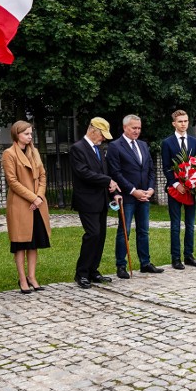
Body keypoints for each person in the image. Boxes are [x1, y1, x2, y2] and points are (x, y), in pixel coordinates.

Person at [107, 114, 161, 277]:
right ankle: (121, 265)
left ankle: (145, 263)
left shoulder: (143, 145)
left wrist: (150, 189)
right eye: (133, 128)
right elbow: (116, 173)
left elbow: (150, 170)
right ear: (125, 128)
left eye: (139, 128)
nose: (137, 131)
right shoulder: (115, 146)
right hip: (128, 197)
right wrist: (133, 191)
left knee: (143, 231)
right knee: (125, 231)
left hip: (144, 196)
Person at [71, 117, 122, 288]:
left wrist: (114, 192)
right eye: (102, 135)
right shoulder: (77, 148)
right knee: (92, 234)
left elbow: (105, 172)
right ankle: (82, 273)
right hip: (86, 200)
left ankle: (93, 270)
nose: (104, 139)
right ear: (93, 130)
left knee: (100, 236)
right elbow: (83, 173)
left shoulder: (99, 149)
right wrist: (108, 181)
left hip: (101, 199)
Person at [1, 121, 52, 294]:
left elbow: (43, 175)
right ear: (17, 134)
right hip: (21, 205)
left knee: (34, 243)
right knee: (21, 243)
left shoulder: (34, 152)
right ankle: (22, 278)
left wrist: (39, 196)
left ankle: (32, 276)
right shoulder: (9, 154)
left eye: (31, 134)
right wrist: (33, 197)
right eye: (26, 134)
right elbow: (12, 181)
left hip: (36, 203)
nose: (30, 137)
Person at [161, 110, 196, 270]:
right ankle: (176, 258)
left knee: (190, 224)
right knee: (175, 225)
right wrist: (176, 183)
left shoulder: (194, 141)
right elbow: (166, 167)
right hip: (175, 190)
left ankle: (189, 256)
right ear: (174, 123)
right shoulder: (167, 143)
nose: (183, 124)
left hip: (191, 189)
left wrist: (194, 183)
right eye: (180, 121)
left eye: (185, 121)